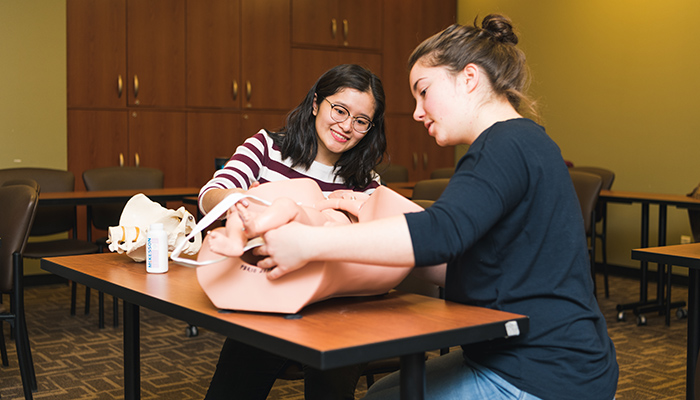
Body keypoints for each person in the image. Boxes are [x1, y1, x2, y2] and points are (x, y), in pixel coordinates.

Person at [249, 15, 619, 400]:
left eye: (423, 91)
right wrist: (376, 216)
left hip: (542, 372)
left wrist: (308, 243)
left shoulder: (503, 146)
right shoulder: (524, 141)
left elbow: (440, 236)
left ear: (469, 78)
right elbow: (465, 263)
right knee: (384, 392)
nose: (417, 111)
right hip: (553, 359)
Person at [198, 64, 386, 400]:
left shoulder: (367, 181)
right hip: (269, 295)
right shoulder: (267, 147)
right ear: (316, 103)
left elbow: (371, 242)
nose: (346, 126)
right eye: (339, 110)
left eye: (361, 121)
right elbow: (211, 195)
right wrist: (252, 205)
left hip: (336, 307)